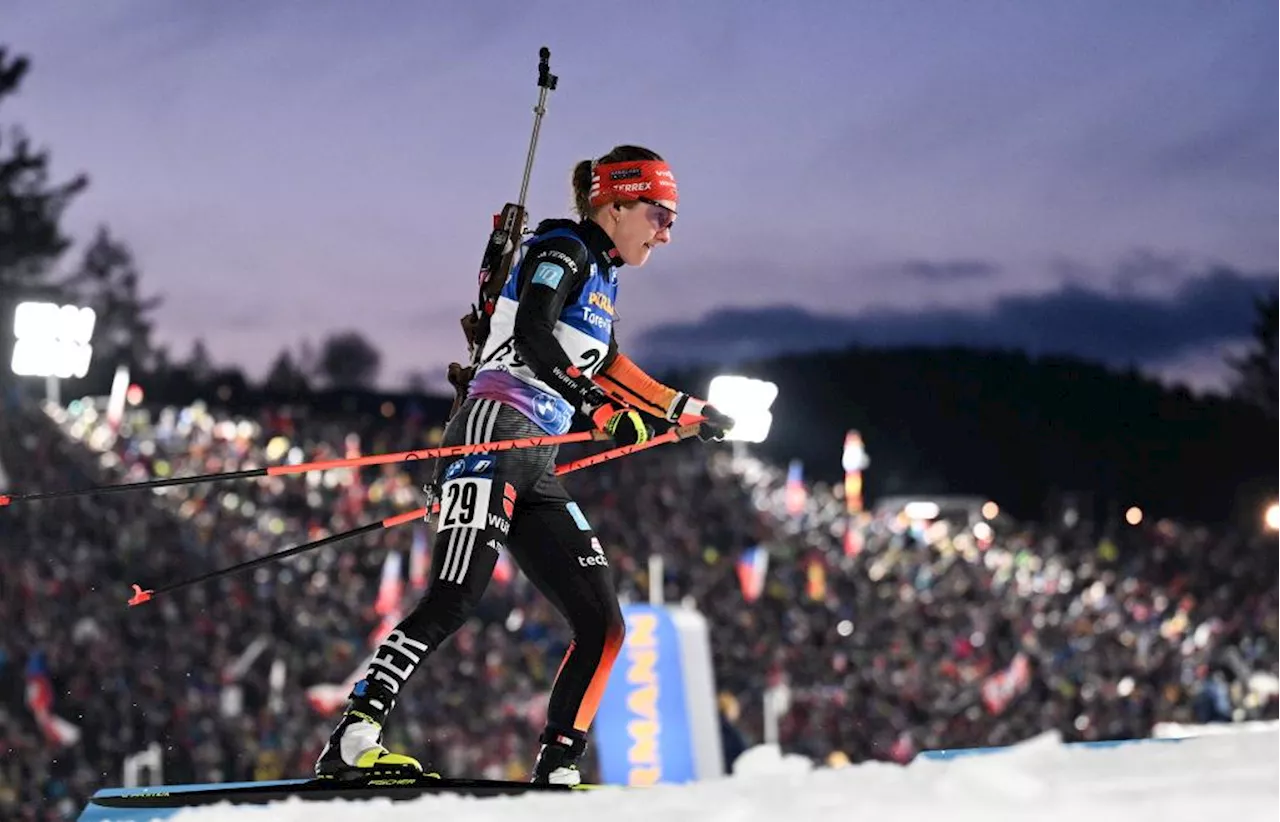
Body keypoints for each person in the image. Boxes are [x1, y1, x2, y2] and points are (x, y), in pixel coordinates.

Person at [314, 145, 735, 786]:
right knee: (455, 596)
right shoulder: (563, 248)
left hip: (535, 461)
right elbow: (537, 335)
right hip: (491, 435)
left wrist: (688, 409)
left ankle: (559, 766)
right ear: (615, 203)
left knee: (604, 625)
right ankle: (353, 736)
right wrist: (596, 411)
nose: (666, 231)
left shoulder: (603, 273)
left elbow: (612, 366)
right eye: (658, 213)